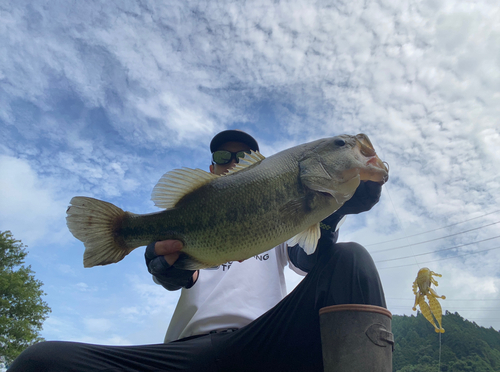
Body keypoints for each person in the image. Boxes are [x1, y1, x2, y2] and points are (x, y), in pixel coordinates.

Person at [9, 130, 386, 372]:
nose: (233, 161)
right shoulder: (193, 209)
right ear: (211, 166)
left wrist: (333, 214)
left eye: (245, 155)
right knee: (41, 363)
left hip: (266, 342)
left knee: (352, 261)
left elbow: (312, 260)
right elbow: (177, 272)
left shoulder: (286, 223)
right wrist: (165, 266)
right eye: (223, 156)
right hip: (187, 355)